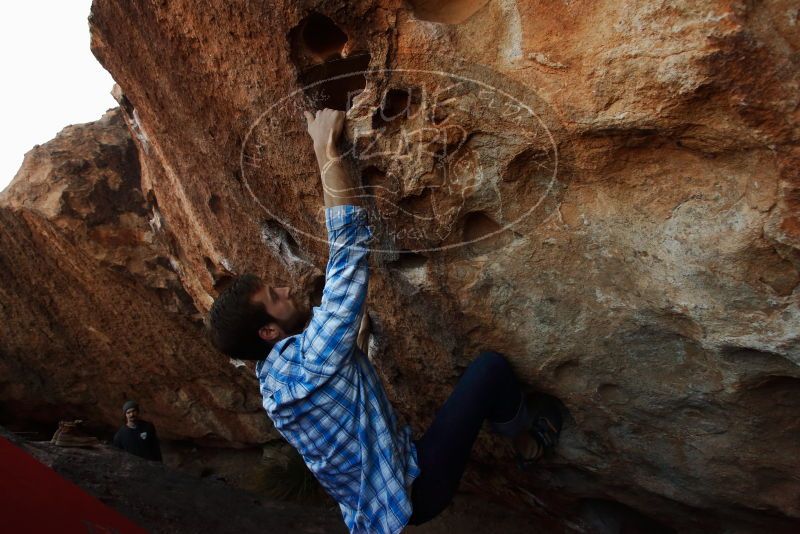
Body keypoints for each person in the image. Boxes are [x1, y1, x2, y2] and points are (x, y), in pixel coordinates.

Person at [208, 108, 562, 533]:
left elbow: (329, 389)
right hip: (417, 489)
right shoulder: (311, 360)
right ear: (269, 332)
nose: (285, 289)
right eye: (274, 297)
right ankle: (527, 443)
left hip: (374, 510)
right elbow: (348, 251)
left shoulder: (273, 381)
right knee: (489, 370)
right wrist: (325, 148)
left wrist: (353, 345)